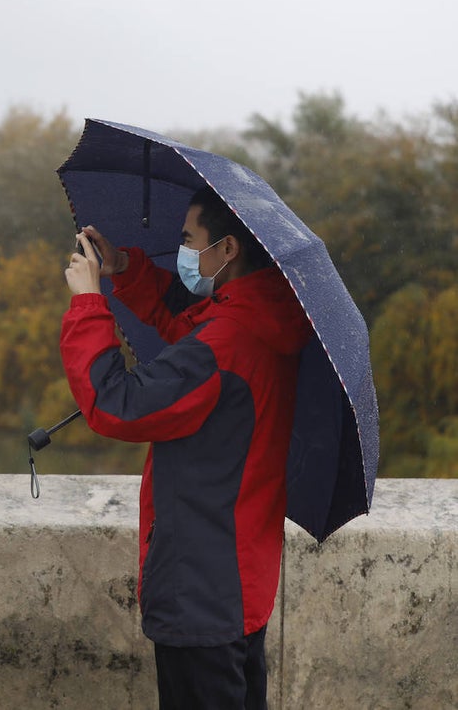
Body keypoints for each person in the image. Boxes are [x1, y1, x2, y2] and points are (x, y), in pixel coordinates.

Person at [60, 187, 313, 709]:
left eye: (188, 240)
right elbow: (188, 325)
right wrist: (125, 268)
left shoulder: (223, 346)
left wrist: (89, 300)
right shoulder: (259, 321)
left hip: (199, 587)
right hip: (238, 578)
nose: (183, 252)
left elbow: (117, 405)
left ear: (227, 249)